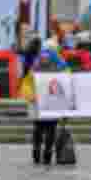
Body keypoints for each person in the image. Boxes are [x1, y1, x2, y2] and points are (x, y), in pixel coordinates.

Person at [22, 36, 68, 165]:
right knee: (46, 128)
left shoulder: (39, 65)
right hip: (44, 102)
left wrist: (30, 95)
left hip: (47, 102)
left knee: (43, 128)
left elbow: (27, 83)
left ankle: (41, 152)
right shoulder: (59, 65)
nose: (47, 56)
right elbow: (28, 84)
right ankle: (43, 152)